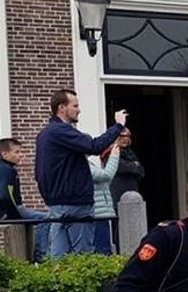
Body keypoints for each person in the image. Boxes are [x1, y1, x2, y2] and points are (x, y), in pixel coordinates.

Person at [35, 89, 126, 257]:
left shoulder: (44, 134)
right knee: (83, 257)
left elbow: (40, 171)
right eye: (75, 105)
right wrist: (118, 126)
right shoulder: (62, 131)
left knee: (58, 259)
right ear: (62, 107)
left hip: (56, 205)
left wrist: (49, 197)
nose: (79, 109)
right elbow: (94, 146)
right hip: (76, 204)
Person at [0, 138, 49, 261]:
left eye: (21, 152)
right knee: (46, 219)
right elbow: (4, 196)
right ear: (5, 154)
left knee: (39, 217)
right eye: (17, 152)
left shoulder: (6, 169)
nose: (21, 155)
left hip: (1, 210)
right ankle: (40, 256)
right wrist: (15, 217)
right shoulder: (6, 171)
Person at [88, 143, 120, 254]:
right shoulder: (85, 165)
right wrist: (114, 156)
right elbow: (106, 176)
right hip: (97, 213)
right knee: (102, 250)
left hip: (99, 211)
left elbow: (104, 182)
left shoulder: (88, 164)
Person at [110, 128, 145, 207]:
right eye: (121, 136)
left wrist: (133, 167)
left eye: (127, 136)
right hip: (118, 195)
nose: (125, 139)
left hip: (133, 195)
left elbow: (141, 171)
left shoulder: (130, 153)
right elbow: (121, 167)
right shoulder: (111, 151)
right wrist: (134, 165)